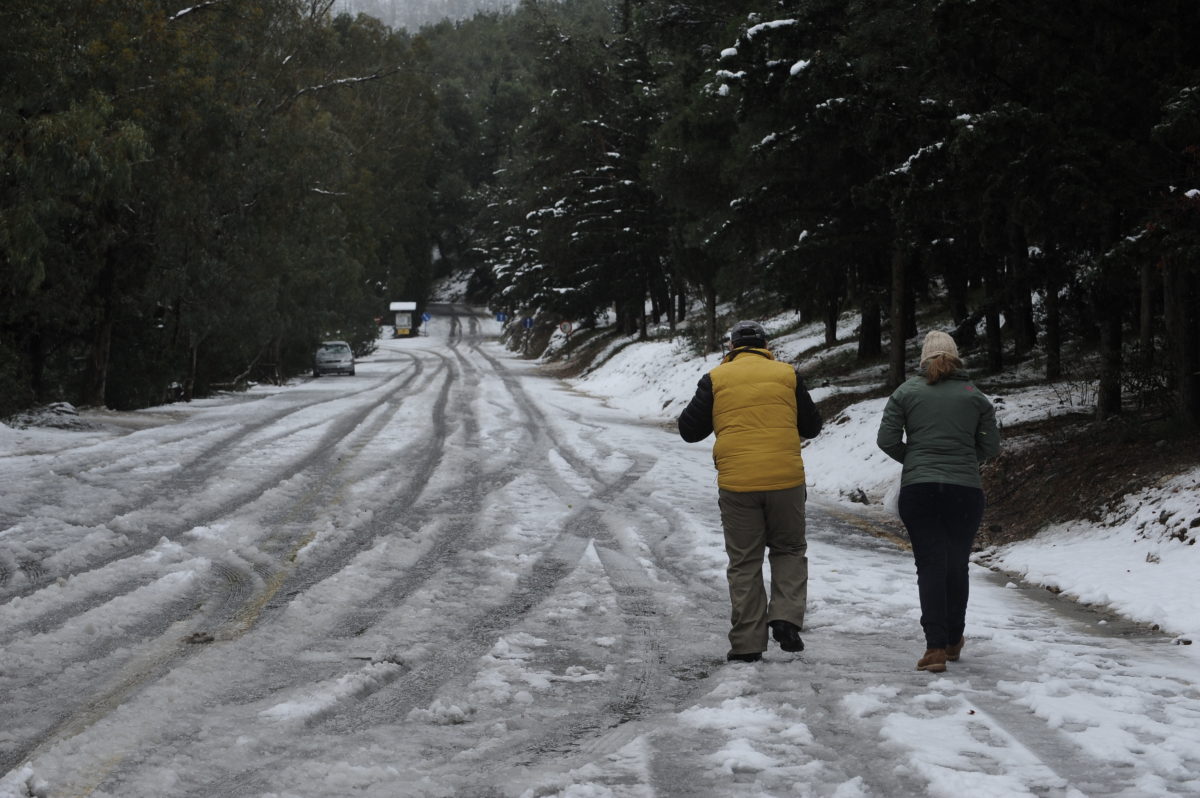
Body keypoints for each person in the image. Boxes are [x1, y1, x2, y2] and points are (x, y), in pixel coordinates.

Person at [678, 320, 823, 662]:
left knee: (744, 562)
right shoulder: (787, 375)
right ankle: (786, 618)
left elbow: (689, 431)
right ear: (765, 345)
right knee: (788, 549)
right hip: (786, 480)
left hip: (737, 483)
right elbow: (813, 426)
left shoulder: (715, 378)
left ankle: (746, 645)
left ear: (731, 347)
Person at [876, 330, 1001, 673]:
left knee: (930, 564)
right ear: (956, 358)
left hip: (920, 490)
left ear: (924, 360)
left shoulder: (906, 392)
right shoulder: (974, 396)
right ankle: (953, 639)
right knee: (957, 564)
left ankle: (934, 649)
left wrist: (915, 459)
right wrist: (964, 459)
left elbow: (886, 439)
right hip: (964, 491)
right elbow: (991, 447)